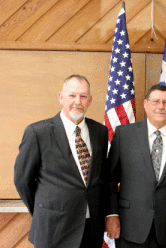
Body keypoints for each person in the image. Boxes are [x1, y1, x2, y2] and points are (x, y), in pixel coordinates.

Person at [14, 75, 109, 248]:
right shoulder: (38, 132)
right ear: (61, 97)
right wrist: (43, 210)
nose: (77, 101)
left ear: (90, 100)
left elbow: (102, 178)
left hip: (91, 228)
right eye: (72, 96)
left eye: (83, 96)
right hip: (53, 229)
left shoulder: (100, 132)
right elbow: (22, 180)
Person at [105, 84, 166, 248]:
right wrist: (112, 215)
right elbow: (110, 180)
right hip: (129, 228)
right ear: (146, 104)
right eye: (155, 101)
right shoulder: (124, 134)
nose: (161, 106)